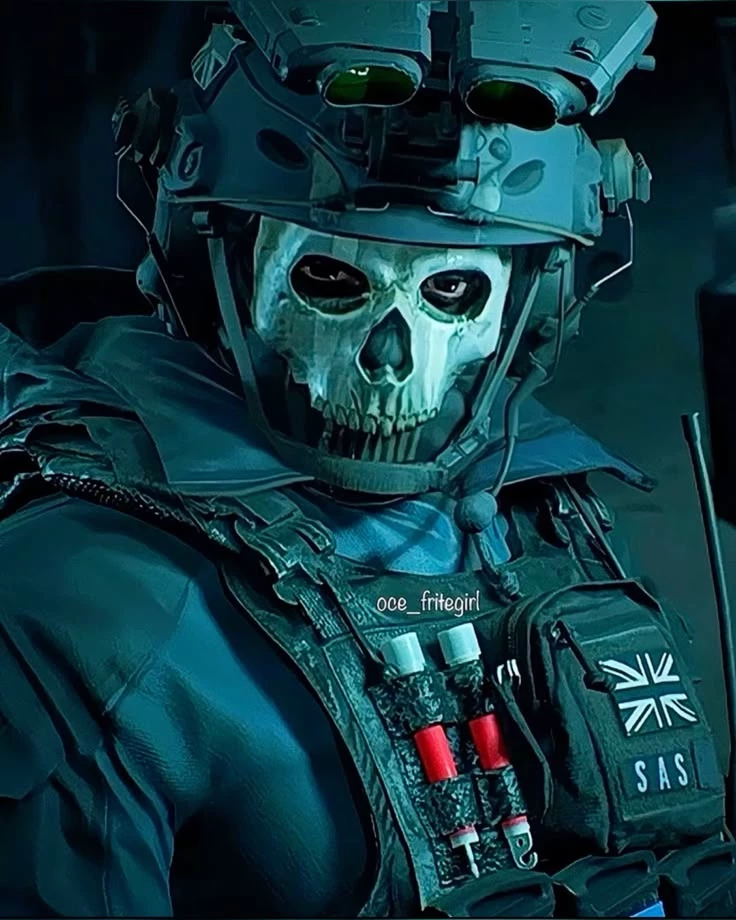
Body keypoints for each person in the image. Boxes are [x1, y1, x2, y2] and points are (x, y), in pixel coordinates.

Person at [0, 1, 732, 916]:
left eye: (452, 290)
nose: (392, 359)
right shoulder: (83, 605)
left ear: (533, 297)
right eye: (330, 279)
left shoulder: (541, 504)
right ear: (213, 257)